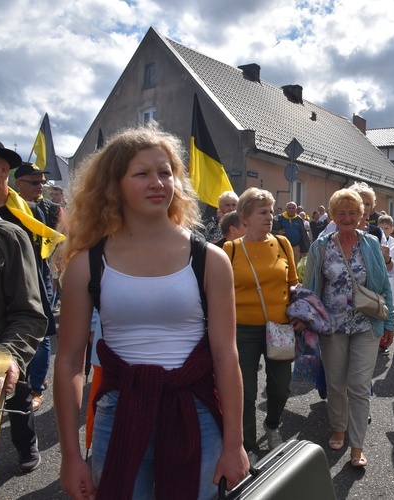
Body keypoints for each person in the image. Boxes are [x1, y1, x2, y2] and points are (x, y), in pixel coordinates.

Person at [54, 125, 249, 499]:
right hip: (119, 411)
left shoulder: (210, 259)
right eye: (142, 173)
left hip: (197, 412)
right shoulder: (87, 264)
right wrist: (70, 456)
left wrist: (234, 443)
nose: (157, 182)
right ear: (114, 185)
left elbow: (226, 357)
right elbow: (67, 364)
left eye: (166, 172)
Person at [304, 188, 394, 468]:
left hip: (367, 325)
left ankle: (357, 444)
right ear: (333, 215)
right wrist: (308, 321)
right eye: (341, 212)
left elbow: (383, 286)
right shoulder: (320, 246)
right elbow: (310, 289)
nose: (347, 217)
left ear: (361, 215)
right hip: (332, 327)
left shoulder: (369, 243)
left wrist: (390, 320)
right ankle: (338, 427)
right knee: (335, 384)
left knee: (358, 385)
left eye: (352, 212)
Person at [0, 138, 64, 473]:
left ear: (3, 169)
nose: (39, 187)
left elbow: (41, 258)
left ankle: (26, 443)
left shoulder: (23, 215)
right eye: (34, 182)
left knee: (17, 390)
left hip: (22, 299)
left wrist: (12, 351)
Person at [223, 188, 298, 465]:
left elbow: (293, 283)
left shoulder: (281, 243)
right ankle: (248, 445)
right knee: (246, 391)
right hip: (242, 330)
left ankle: (273, 424)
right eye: (263, 212)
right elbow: (219, 292)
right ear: (244, 217)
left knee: (280, 388)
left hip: (279, 326)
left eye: (271, 211)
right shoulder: (230, 249)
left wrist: (300, 309)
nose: (270, 217)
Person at [0, 214, 47, 478]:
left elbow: (28, 314)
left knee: (19, 399)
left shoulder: (5, 236)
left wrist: (9, 357)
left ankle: (26, 447)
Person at [14, 161, 64, 411]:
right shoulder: (8, 206)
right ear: (18, 183)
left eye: (42, 181)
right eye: (35, 182)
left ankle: (37, 387)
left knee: (42, 332)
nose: (41, 186)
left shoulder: (47, 209)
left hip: (40, 277)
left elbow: (56, 241)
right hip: (12, 280)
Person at [377, 214, 394, 353]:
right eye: (380, 227)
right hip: (378, 280)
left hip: (390, 280)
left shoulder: (393, 244)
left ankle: (385, 341)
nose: (383, 230)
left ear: (392, 229)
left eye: (386, 228)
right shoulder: (374, 241)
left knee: (388, 309)